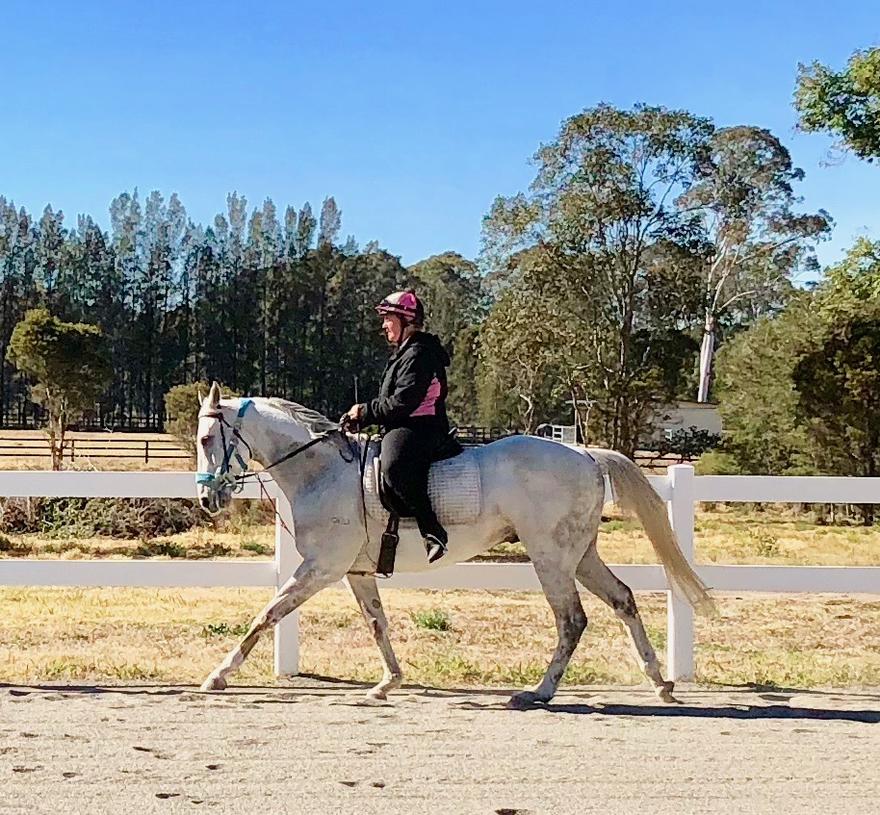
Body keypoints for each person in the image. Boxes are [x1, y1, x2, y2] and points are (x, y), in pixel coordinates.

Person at [343, 290, 450, 563]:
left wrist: (365, 412)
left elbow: (404, 402)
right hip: (407, 423)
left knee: (394, 465)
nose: (383, 325)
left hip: (422, 427)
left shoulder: (419, 353)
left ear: (406, 320)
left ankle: (432, 530)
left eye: (388, 318)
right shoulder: (406, 353)